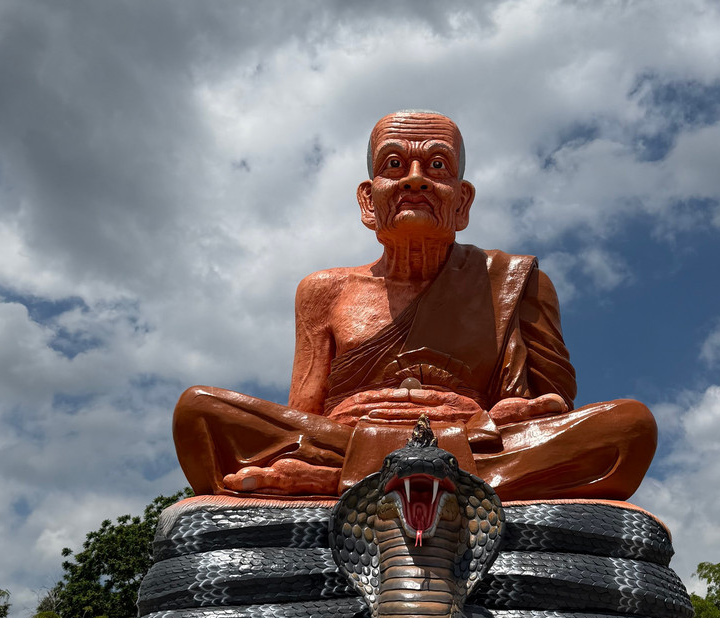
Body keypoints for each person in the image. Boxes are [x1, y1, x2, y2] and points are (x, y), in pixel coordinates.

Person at [173, 110, 657, 500]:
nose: (417, 180)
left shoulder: (513, 283)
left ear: (462, 201)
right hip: (372, 442)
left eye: (438, 166)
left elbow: (550, 410)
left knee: (628, 426)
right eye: (394, 165)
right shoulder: (324, 291)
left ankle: (350, 479)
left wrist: (494, 420)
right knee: (200, 412)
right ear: (368, 200)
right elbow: (304, 418)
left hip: (472, 437)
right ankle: (423, 474)